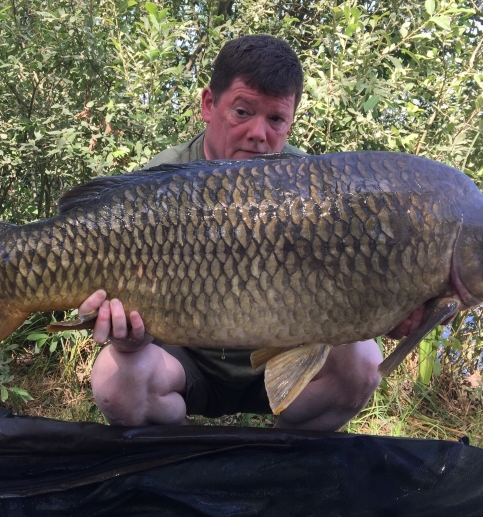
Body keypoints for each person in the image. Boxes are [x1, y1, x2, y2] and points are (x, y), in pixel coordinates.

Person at [81, 35, 427, 430]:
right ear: (209, 104)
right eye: (243, 112)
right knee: (114, 377)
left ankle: (280, 464)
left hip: (281, 360)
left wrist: (388, 312)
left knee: (363, 363)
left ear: (291, 120)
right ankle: (177, 468)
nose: (259, 134)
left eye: (276, 119)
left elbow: (348, 288)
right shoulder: (161, 182)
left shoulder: (313, 186)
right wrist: (130, 339)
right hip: (184, 362)